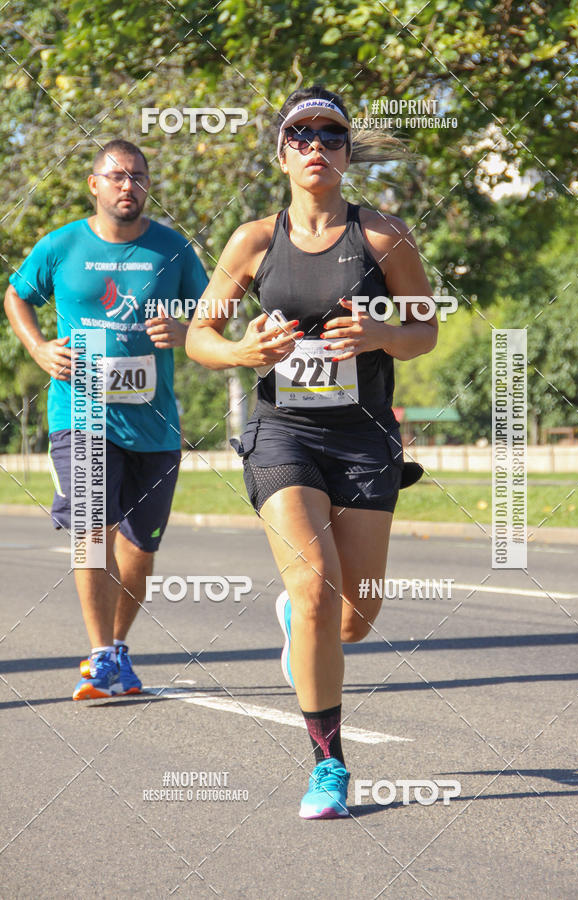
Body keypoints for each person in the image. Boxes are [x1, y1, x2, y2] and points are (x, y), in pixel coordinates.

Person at [185, 86, 437, 818]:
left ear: (347, 151)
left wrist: (384, 335)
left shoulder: (385, 236)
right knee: (317, 586)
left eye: (331, 133)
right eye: (302, 134)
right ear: (282, 152)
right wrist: (241, 350)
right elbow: (200, 335)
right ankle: (329, 767)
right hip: (282, 429)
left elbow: (424, 330)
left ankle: (302, 622)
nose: (316, 145)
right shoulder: (254, 241)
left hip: (363, 436)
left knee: (355, 614)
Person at [4, 139, 208, 700]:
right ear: (94, 184)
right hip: (82, 412)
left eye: (138, 176)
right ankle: (99, 654)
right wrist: (39, 347)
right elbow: (16, 295)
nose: (128, 186)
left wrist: (188, 333)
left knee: (139, 550)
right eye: (116, 176)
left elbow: (213, 314)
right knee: (93, 532)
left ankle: (117, 649)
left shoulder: (172, 250)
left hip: (155, 422)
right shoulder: (61, 245)